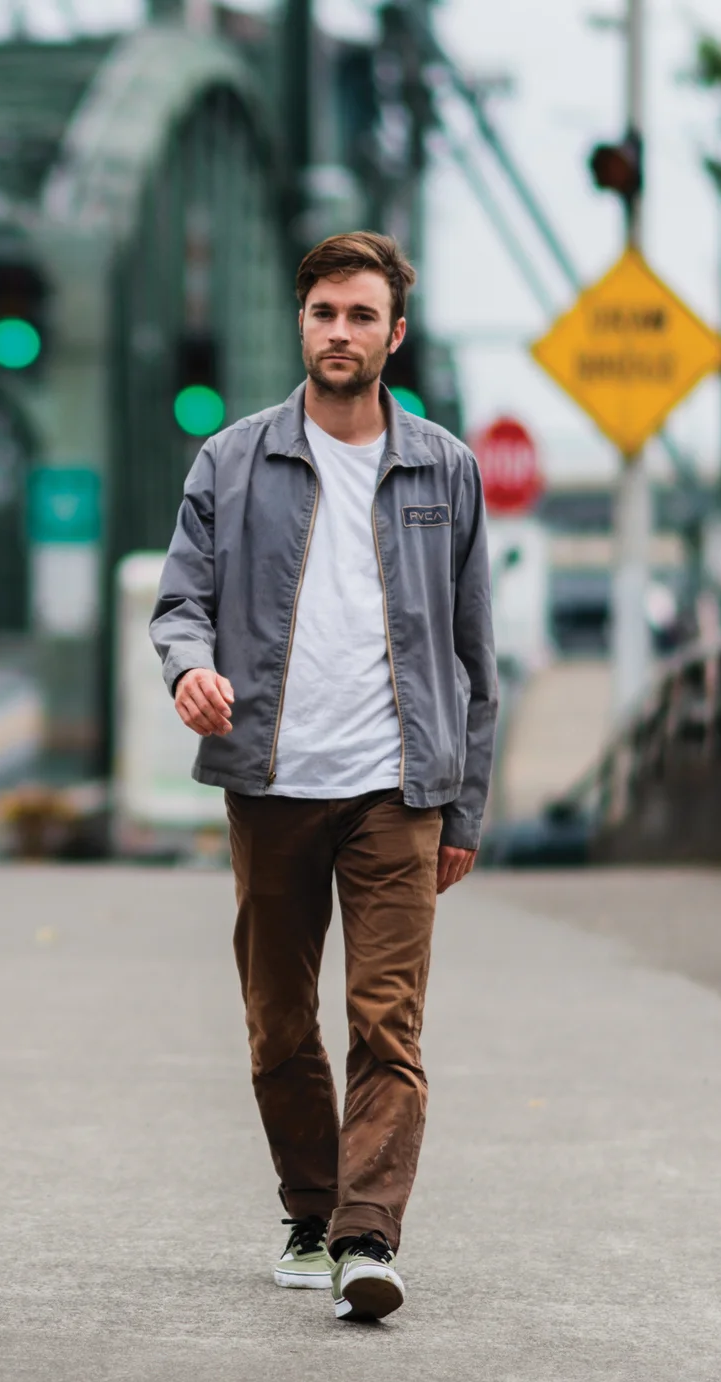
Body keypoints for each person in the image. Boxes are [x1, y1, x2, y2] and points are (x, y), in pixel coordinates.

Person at [149, 231, 496, 1325]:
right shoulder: (230, 460)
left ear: (395, 335)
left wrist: (464, 807)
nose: (339, 332)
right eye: (323, 313)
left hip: (399, 787)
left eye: (360, 316)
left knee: (387, 1022)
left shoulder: (445, 468)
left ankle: (366, 1237)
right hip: (271, 782)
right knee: (278, 1024)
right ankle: (310, 1209)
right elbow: (179, 600)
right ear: (300, 324)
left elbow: (474, 656)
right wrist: (190, 668)